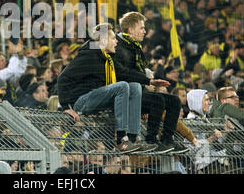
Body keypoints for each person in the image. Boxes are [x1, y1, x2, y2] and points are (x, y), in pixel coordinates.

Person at [57, 23, 155, 154]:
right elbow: (63, 78)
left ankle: (133, 138)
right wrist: (66, 107)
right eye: (113, 38)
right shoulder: (88, 55)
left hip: (96, 99)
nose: (116, 42)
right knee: (122, 86)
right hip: (81, 101)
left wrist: (149, 81)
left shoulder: (107, 58)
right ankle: (121, 139)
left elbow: (126, 73)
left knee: (135, 86)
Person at [115, 11, 184, 154]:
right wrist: (149, 80)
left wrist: (152, 80)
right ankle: (151, 141)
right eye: (141, 28)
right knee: (157, 100)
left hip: (140, 90)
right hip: (126, 94)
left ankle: (167, 139)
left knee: (174, 101)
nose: (145, 31)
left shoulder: (135, 47)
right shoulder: (118, 47)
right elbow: (123, 73)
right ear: (130, 30)